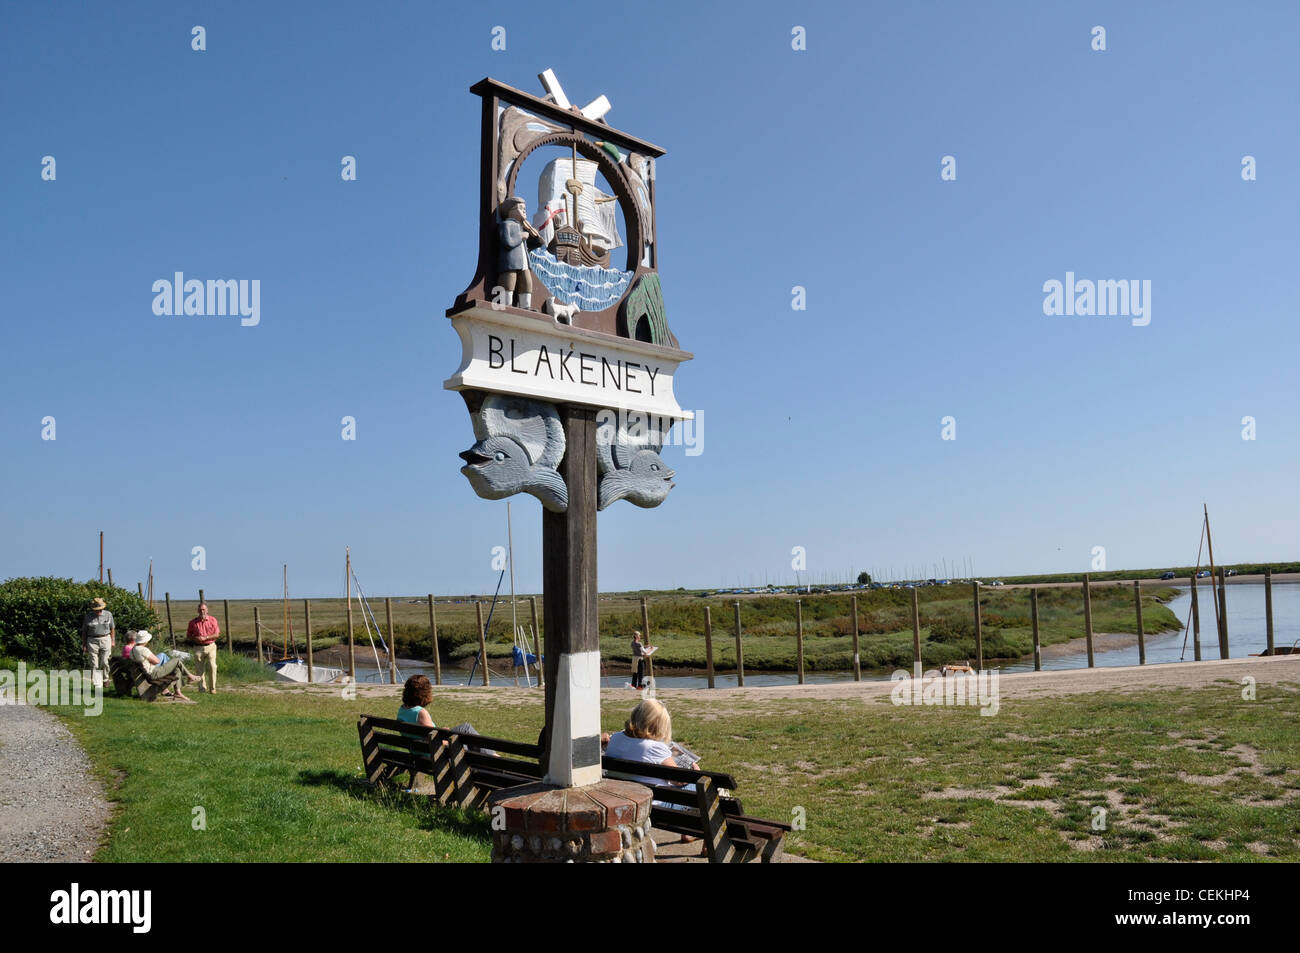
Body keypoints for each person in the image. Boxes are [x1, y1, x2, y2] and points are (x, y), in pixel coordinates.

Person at [496, 196, 541, 310]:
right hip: (510, 261)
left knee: (527, 282)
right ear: (510, 210)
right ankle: (506, 304)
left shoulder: (522, 227)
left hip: (524, 261)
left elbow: (534, 245)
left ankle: (525, 306)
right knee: (509, 280)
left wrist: (535, 237)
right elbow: (508, 242)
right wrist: (521, 236)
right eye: (520, 208)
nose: (524, 210)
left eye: (525, 208)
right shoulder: (507, 224)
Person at [131, 631, 200, 701]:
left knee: (177, 669)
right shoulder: (143, 650)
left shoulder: (133, 649)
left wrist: (149, 661)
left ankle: (178, 692)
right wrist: (151, 661)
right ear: (145, 641)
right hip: (153, 673)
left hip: (146, 673)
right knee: (176, 660)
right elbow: (157, 661)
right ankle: (190, 676)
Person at [186, 603, 221, 695]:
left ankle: (212, 688)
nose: (202, 611)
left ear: (207, 610)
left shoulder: (213, 620)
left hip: (211, 646)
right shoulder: (193, 622)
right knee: (199, 669)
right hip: (198, 647)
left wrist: (206, 637)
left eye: (204, 609)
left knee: (212, 666)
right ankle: (202, 688)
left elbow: (217, 634)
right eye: (200, 610)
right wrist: (195, 638)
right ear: (197, 611)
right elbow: (189, 635)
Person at [80, 597, 115, 690]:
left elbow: (112, 628)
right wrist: (84, 645)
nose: (98, 612)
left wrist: (113, 640)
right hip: (92, 640)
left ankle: (105, 678)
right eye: (96, 610)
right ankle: (96, 682)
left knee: (105, 661)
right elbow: (84, 632)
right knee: (94, 663)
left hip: (106, 638)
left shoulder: (108, 614)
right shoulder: (88, 617)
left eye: (100, 610)